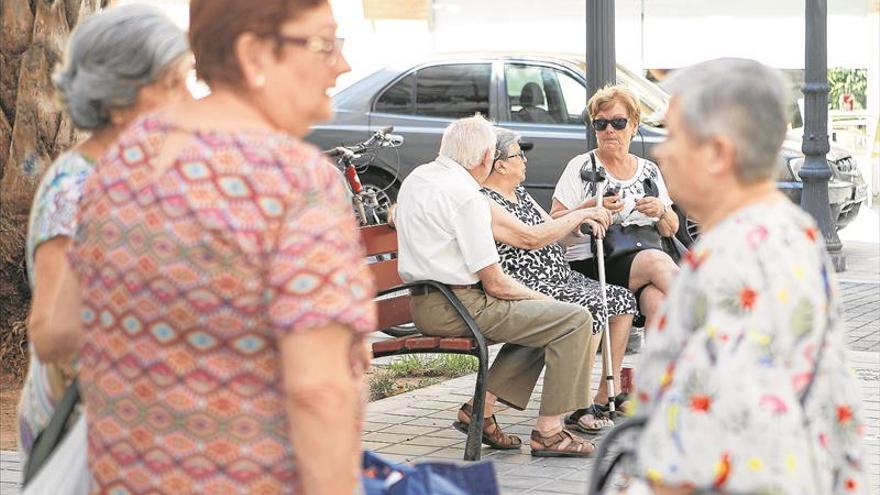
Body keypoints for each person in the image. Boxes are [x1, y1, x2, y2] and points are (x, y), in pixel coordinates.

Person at [47, 1, 375, 493]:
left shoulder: (125, 155)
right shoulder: (293, 179)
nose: (342, 65)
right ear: (254, 54)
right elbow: (318, 391)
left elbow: (67, 326)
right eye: (324, 43)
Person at [624, 58, 866, 494]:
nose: (660, 150)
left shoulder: (736, 258)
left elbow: (713, 443)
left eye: (673, 134)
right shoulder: (790, 229)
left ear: (717, 152)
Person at [16, 4, 191, 465]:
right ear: (119, 94)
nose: (189, 99)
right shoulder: (77, 190)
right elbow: (51, 332)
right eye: (174, 83)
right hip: (90, 442)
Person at [396, 114, 599, 458]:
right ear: (485, 158)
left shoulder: (420, 177)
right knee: (573, 319)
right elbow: (496, 284)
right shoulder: (467, 197)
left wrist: (543, 305)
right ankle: (549, 434)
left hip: (428, 301)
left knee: (547, 319)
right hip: (456, 306)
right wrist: (543, 298)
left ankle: (482, 409)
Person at [481, 127, 637, 433]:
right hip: (528, 281)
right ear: (499, 164)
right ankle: (578, 407)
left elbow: (550, 228)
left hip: (558, 275)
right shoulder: (486, 199)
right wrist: (579, 216)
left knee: (621, 299)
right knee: (591, 306)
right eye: (518, 154)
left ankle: (608, 392)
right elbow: (531, 238)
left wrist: (588, 211)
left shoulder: (519, 192)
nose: (524, 160)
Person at [550, 84, 679, 411]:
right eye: (601, 123)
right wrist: (590, 208)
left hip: (640, 262)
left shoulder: (648, 171)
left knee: (658, 300)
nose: (609, 130)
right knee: (656, 262)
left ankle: (629, 392)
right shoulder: (581, 167)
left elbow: (671, 227)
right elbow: (554, 225)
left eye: (618, 123)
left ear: (634, 126)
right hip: (593, 263)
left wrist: (660, 210)